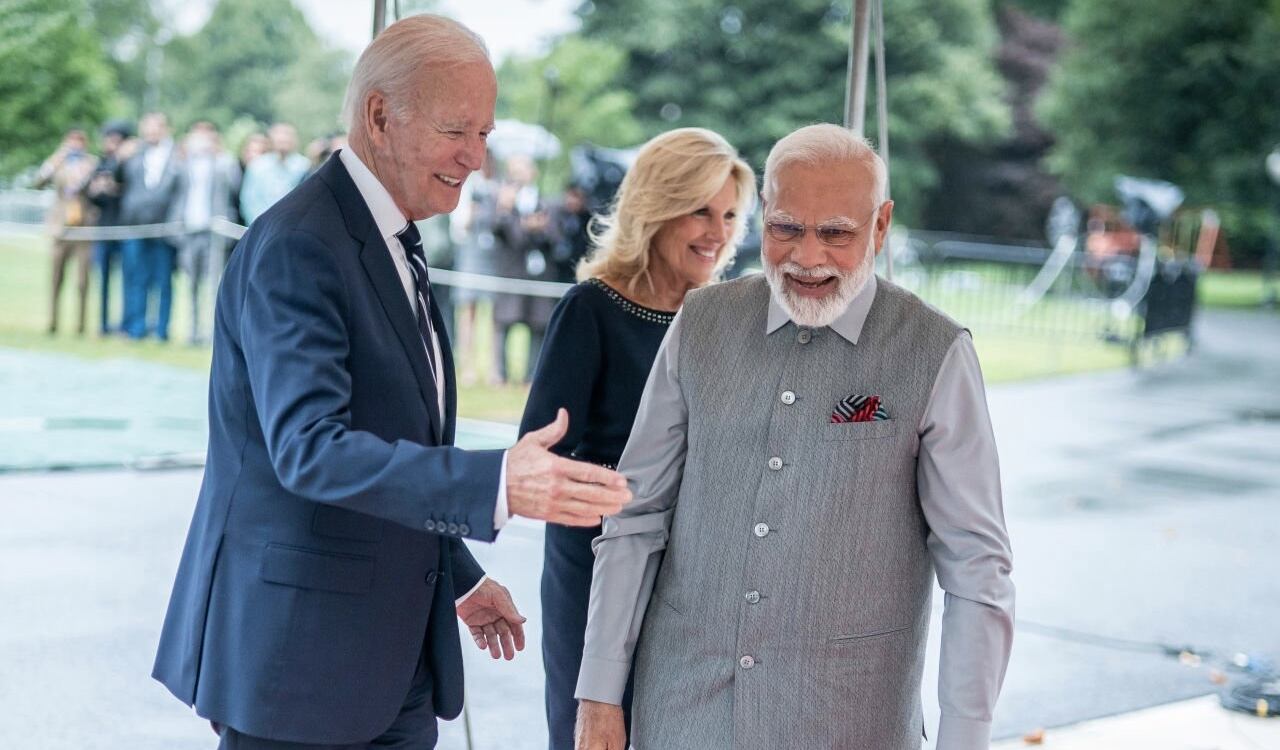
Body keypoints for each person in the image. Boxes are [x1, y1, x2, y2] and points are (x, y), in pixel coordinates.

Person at [151, 15, 630, 750]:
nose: (476, 158)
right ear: (380, 116)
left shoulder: (387, 236)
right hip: (303, 667)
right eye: (457, 131)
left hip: (389, 663)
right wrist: (496, 483)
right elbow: (310, 450)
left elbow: (388, 442)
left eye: (485, 135)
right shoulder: (300, 246)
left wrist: (457, 571)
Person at [575, 124, 1015, 750]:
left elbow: (977, 567)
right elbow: (635, 516)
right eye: (786, 229)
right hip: (682, 714)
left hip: (850, 722)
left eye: (836, 233)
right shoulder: (701, 324)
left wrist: (965, 739)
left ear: (881, 225)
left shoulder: (934, 351)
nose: (808, 258)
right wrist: (598, 696)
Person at [519, 127, 755, 750]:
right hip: (595, 580)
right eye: (700, 210)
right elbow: (540, 460)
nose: (718, 231)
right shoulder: (590, 310)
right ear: (658, 205)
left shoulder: (724, 320)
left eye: (730, 214)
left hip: (695, 586)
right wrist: (633, 509)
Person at [173, 121, 241, 344]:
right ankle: (191, 331)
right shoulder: (184, 164)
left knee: (213, 284)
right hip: (189, 230)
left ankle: (212, 332)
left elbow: (234, 183)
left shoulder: (222, 163)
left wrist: (219, 153)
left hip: (214, 233)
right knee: (190, 283)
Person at [117, 111, 182, 341]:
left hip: (164, 229)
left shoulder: (178, 156)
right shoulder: (133, 155)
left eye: (156, 127)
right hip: (135, 227)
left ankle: (161, 330)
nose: (151, 132)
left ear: (165, 129)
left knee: (163, 281)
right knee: (135, 279)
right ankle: (136, 328)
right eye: (147, 128)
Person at [34, 129, 99, 335]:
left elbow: (96, 190)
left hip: (83, 229)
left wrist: (85, 173)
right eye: (71, 142)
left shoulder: (91, 163)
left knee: (82, 280)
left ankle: (81, 326)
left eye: (79, 142)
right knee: (55, 277)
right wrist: (55, 159)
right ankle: (52, 322)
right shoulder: (57, 163)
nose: (75, 146)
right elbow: (38, 182)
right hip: (60, 229)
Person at [85, 120, 133, 335]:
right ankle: (103, 323)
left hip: (124, 228)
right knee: (102, 279)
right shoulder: (100, 164)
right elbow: (91, 195)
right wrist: (97, 190)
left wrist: (113, 187)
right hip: (104, 229)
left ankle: (125, 323)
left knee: (127, 280)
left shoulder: (129, 164)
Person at [238, 122, 310, 223]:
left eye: (287, 137)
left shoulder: (304, 166)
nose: (284, 141)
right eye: (280, 139)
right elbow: (248, 200)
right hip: (262, 226)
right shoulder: (257, 165)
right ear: (271, 141)